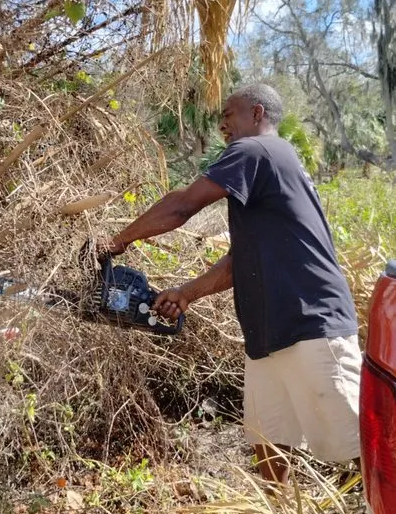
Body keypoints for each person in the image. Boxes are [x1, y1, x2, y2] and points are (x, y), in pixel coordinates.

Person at [101, 83, 361, 486]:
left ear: (257, 114)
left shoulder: (255, 150)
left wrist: (115, 242)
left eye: (228, 115)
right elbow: (241, 259)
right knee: (270, 439)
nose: (222, 125)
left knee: (364, 443)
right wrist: (186, 294)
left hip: (312, 322)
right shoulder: (272, 162)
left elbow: (182, 205)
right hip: (270, 334)